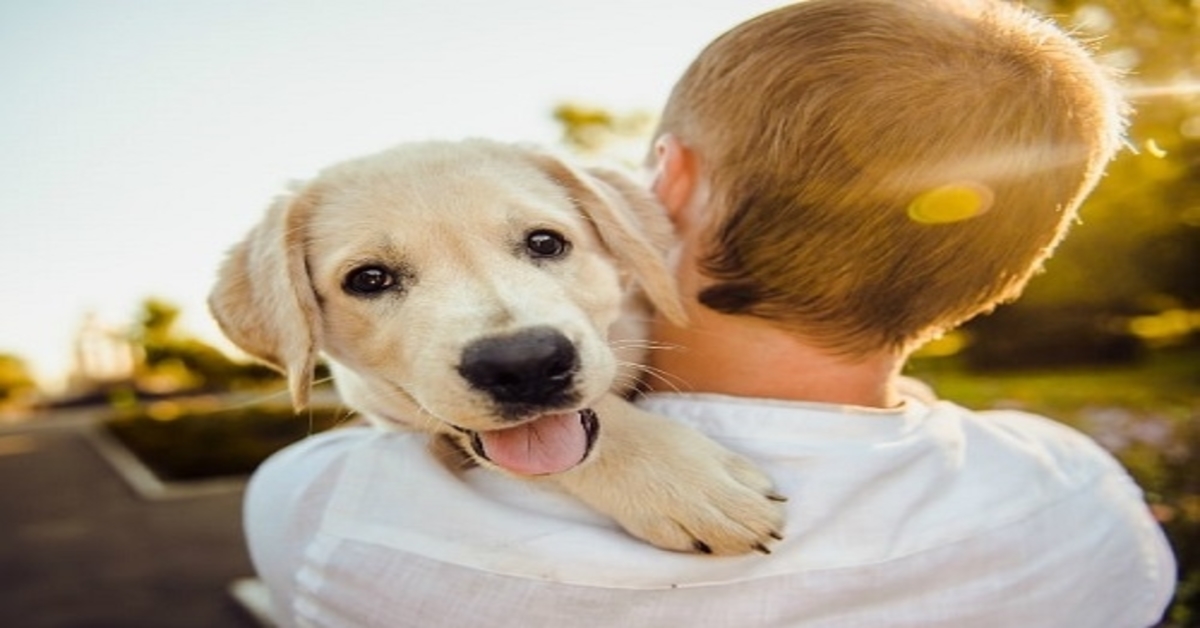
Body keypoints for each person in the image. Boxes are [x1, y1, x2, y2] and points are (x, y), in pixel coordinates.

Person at [242, 1, 1177, 626]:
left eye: (540, 243)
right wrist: (608, 442)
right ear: (1006, 269)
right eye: (373, 279)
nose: (512, 334)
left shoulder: (330, 512)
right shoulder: (1079, 497)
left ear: (660, 191)